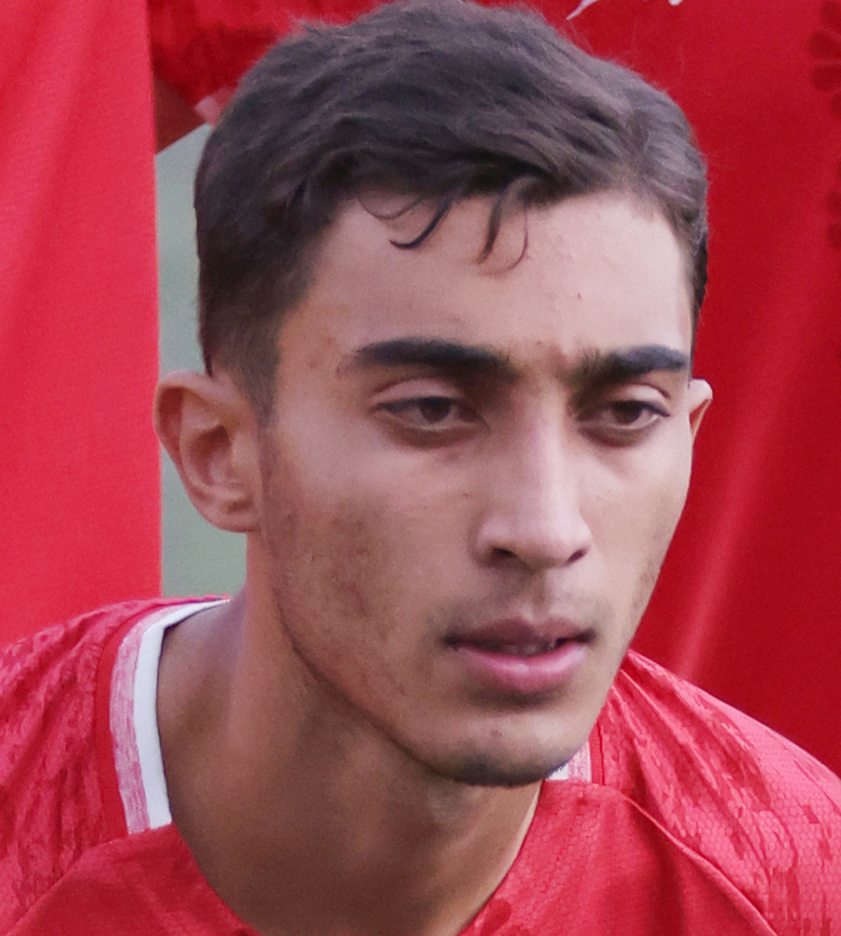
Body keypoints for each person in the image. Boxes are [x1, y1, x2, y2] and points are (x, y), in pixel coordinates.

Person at [2, 0, 840, 932]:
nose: (543, 528)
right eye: (432, 410)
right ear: (219, 452)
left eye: (623, 414)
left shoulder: (789, 885)